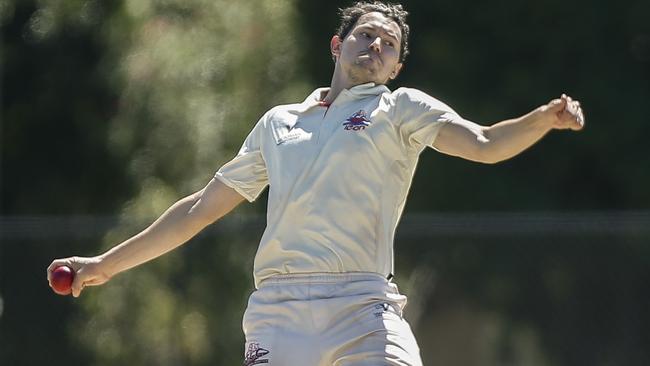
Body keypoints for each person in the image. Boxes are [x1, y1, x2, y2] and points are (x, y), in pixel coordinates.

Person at [47, 1, 584, 365]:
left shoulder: (400, 109)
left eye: (389, 43)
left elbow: (485, 144)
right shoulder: (279, 123)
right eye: (365, 34)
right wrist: (103, 266)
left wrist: (541, 119)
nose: (375, 45)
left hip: (363, 304)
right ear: (337, 45)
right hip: (279, 311)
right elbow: (197, 210)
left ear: (397, 65)